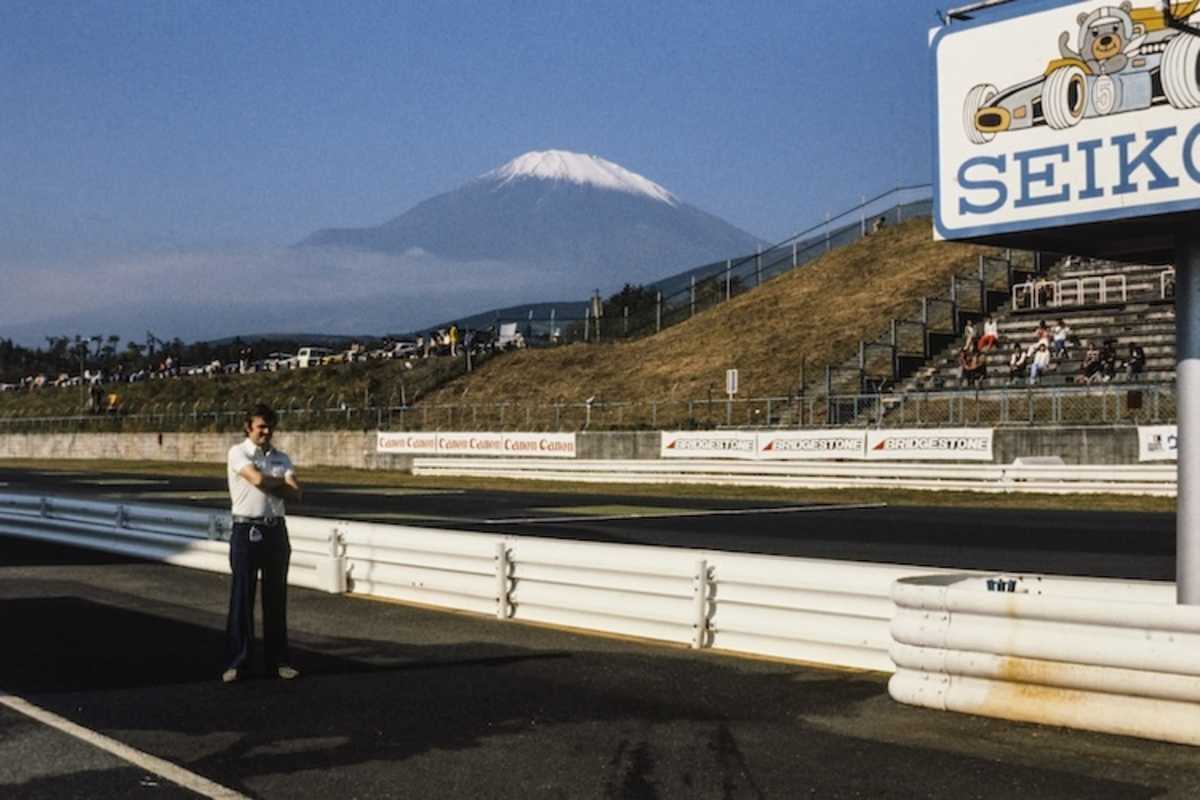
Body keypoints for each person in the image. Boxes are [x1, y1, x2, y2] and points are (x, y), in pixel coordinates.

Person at [224, 403, 303, 683]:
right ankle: (238, 661)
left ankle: (278, 660)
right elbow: (256, 479)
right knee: (242, 598)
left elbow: (296, 494)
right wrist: (278, 482)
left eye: (270, 427)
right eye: (260, 427)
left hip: (275, 531)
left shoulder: (282, 457)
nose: (266, 432)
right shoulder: (238, 452)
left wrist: (274, 483)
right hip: (246, 529)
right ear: (249, 427)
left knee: (276, 598)